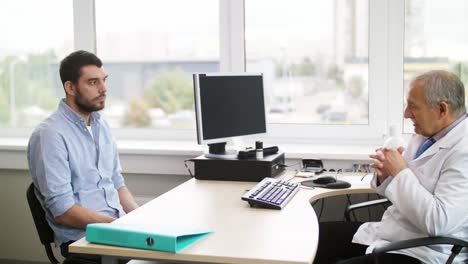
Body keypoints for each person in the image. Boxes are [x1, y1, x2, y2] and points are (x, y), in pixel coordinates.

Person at [314, 70, 468, 264]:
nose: (406, 113)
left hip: (424, 252)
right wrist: (385, 174)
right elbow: (405, 191)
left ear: (442, 109)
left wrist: (400, 171)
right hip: (394, 233)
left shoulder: (463, 151)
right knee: (311, 236)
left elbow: (438, 222)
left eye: (413, 106)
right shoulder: (426, 134)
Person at [28, 50, 139, 263]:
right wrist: (116, 227)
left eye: (104, 81)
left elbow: (117, 183)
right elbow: (63, 212)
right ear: (70, 87)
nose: (103, 89)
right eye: (93, 82)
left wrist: (139, 219)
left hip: (114, 231)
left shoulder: (101, 126)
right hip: (83, 241)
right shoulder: (50, 135)